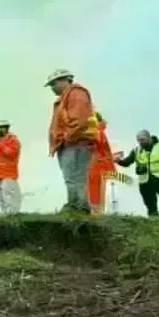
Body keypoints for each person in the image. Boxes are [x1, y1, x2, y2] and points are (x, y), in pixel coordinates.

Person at [45, 68, 98, 214]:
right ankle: (76, 205)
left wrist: (67, 138)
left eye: (53, 84)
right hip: (70, 144)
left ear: (64, 80)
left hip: (76, 143)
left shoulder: (76, 94)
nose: (52, 88)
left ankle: (78, 207)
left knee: (75, 177)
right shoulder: (66, 97)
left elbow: (79, 120)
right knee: (72, 178)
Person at [114, 129, 159, 216]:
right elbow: (127, 162)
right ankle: (154, 224)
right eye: (138, 140)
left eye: (143, 140)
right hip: (145, 182)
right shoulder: (136, 150)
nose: (140, 142)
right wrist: (118, 161)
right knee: (151, 206)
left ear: (149, 137)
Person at [87, 111, 116, 215]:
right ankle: (98, 214)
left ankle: (95, 215)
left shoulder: (95, 132)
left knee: (94, 195)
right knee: (98, 195)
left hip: (95, 167)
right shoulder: (100, 132)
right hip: (100, 167)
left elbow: (92, 146)